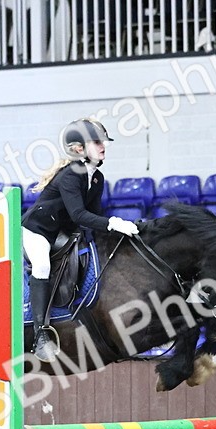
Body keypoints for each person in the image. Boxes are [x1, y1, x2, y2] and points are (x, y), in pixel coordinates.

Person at [22, 117, 139, 362]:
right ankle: (40, 333)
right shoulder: (71, 174)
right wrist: (113, 223)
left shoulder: (96, 178)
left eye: (102, 142)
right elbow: (78, 214)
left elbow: (92, 219)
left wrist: (118, 234)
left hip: (63, 234)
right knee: (42, 265)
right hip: (37, 230)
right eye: (96, 142)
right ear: (78, 149)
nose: (103, 146)